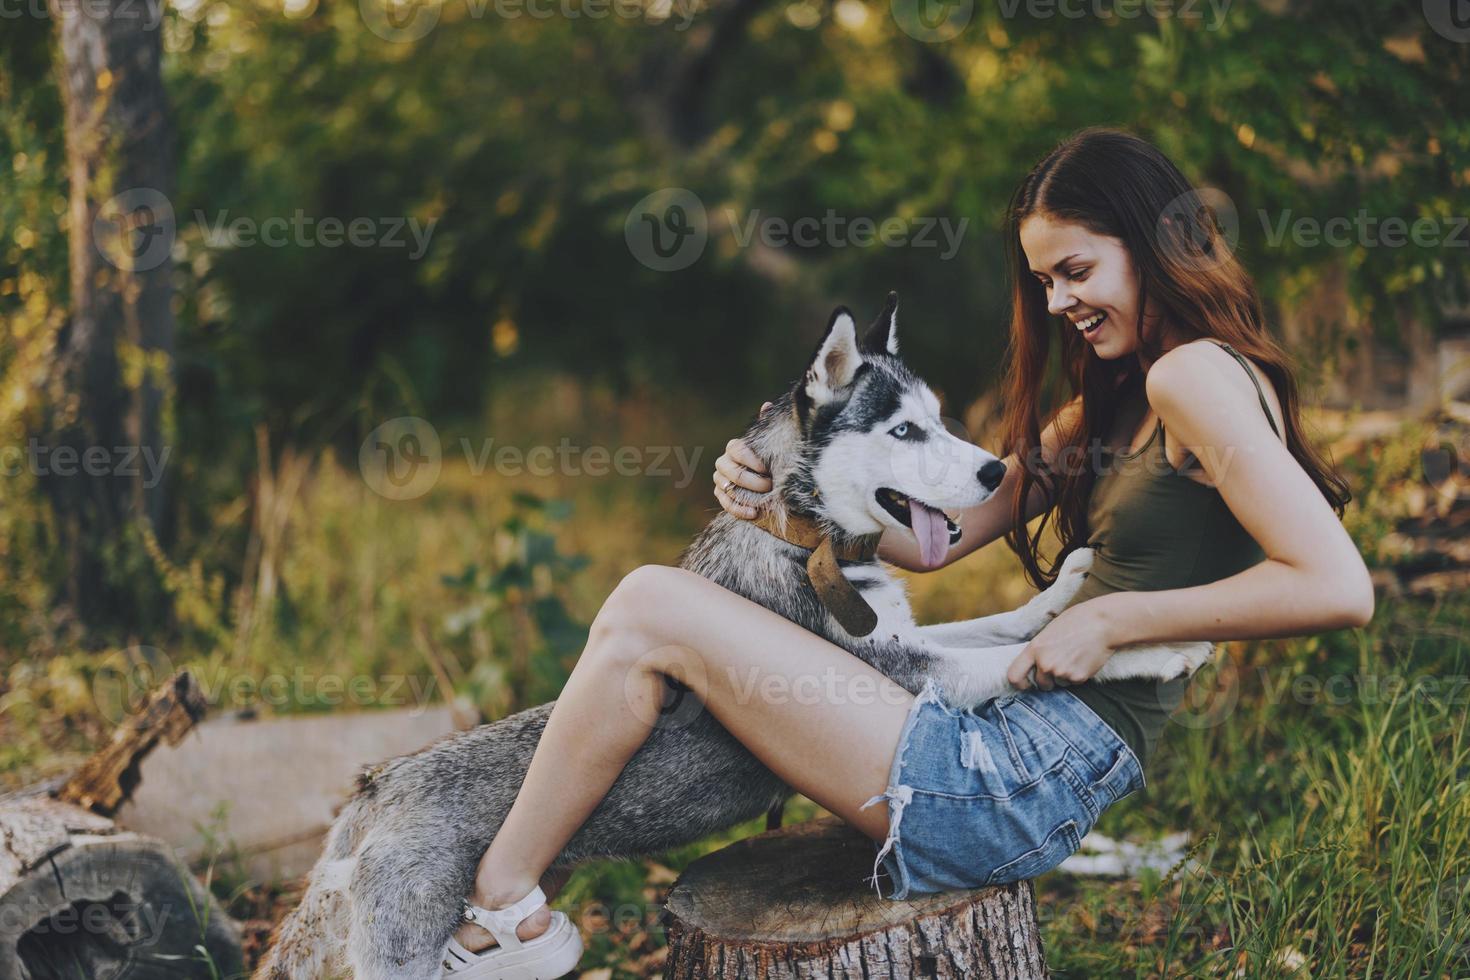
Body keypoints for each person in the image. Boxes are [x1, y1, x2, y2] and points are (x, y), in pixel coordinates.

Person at [437, 128, 1375, 979]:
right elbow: (941, 539)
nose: (1059, 304)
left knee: (648, 604)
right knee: (653, 613)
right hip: (999, 748)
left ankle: (498, 911)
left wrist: (1119, 618)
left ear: (1152, 242)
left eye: (1077, 271)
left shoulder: (1192, 376)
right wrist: (782, 501)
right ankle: (505, 902)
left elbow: (1337, 587)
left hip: (1014, 780)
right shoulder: (1115, 401)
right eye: (1046, 281)